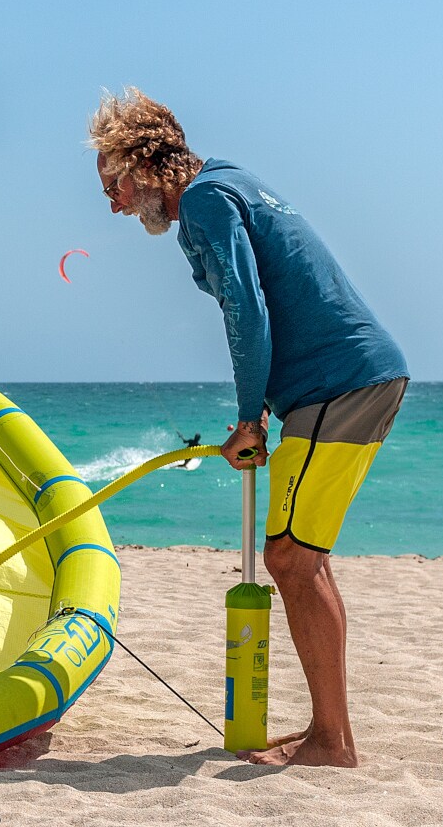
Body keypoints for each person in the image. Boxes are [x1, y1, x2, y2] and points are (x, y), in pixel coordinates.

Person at [89, 88, 408, 768]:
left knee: (290, 558)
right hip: (358, 379)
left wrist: (246, 416)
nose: (113, 203)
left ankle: (330, 742)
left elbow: (246, 306)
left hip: (337, 384)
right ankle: (333, 737)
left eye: (113, 184)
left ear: (145, 166)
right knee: (302, 556)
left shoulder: (205, 199)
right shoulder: (231, 180)